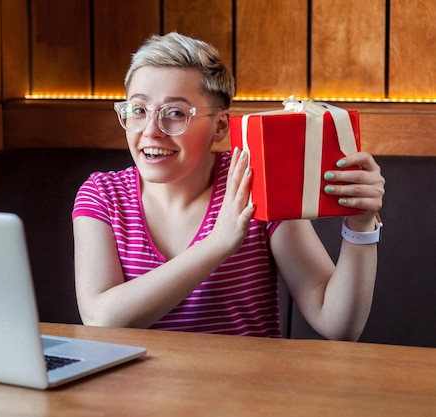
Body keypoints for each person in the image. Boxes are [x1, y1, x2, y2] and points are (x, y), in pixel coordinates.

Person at [72, 32, 385, 340]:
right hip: (132, 391)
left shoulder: (256, 185)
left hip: (244, 390)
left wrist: (360, 225)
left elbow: (338, 324)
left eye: (176, 114)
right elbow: (100, 318)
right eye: (138, 110)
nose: (152, 130)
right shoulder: (102, 195)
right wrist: (218, 244)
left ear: (220, 126)